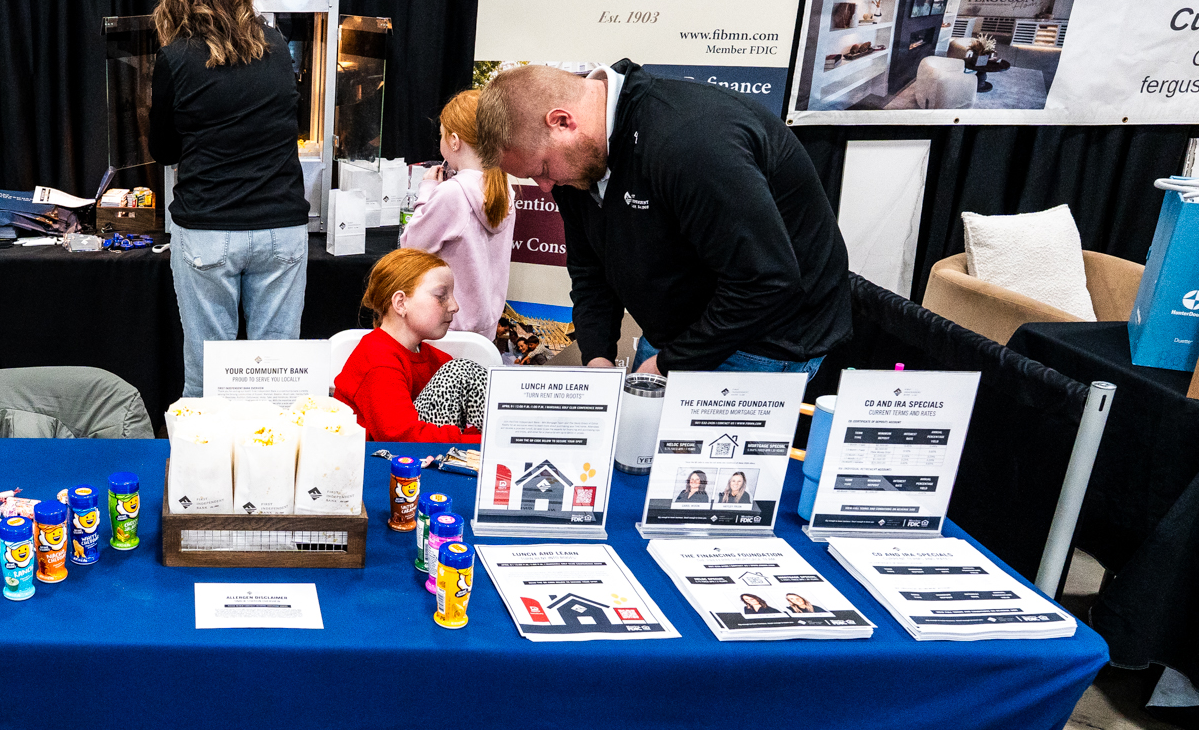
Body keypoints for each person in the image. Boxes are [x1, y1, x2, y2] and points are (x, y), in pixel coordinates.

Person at [477, 62, 850, 376]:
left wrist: (671, 363)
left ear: (562, 121)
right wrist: (597, 357)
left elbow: (766, 280)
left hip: (762, 346)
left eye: (542, 168)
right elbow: (591, 268)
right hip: (674, 341)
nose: (543, 186)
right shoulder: (576, 164)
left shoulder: (691, 142)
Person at [149, 0, 309, 398]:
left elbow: (165, 151)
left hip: (207, 229)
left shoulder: (174, 58)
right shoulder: (277, 46)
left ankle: (207, 472)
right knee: (277, 383)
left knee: (207, 382)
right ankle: (274, 471)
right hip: (281, 227)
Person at [333, 248, 481, 444]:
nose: (454, 306)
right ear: (400, 303)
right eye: (441, 295)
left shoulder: (439, 361)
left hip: (420, 460)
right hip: (386, 466)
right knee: (460, 371)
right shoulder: (377, 359)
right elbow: (402, 436)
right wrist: (482, 442)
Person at [400, 90, 513, 340]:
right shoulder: (505, 188)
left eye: (441, 134)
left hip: (448, 330)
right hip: (485, 330)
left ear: (454, 140)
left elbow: (410, 248)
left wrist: (427, 191)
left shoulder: (453, 193)